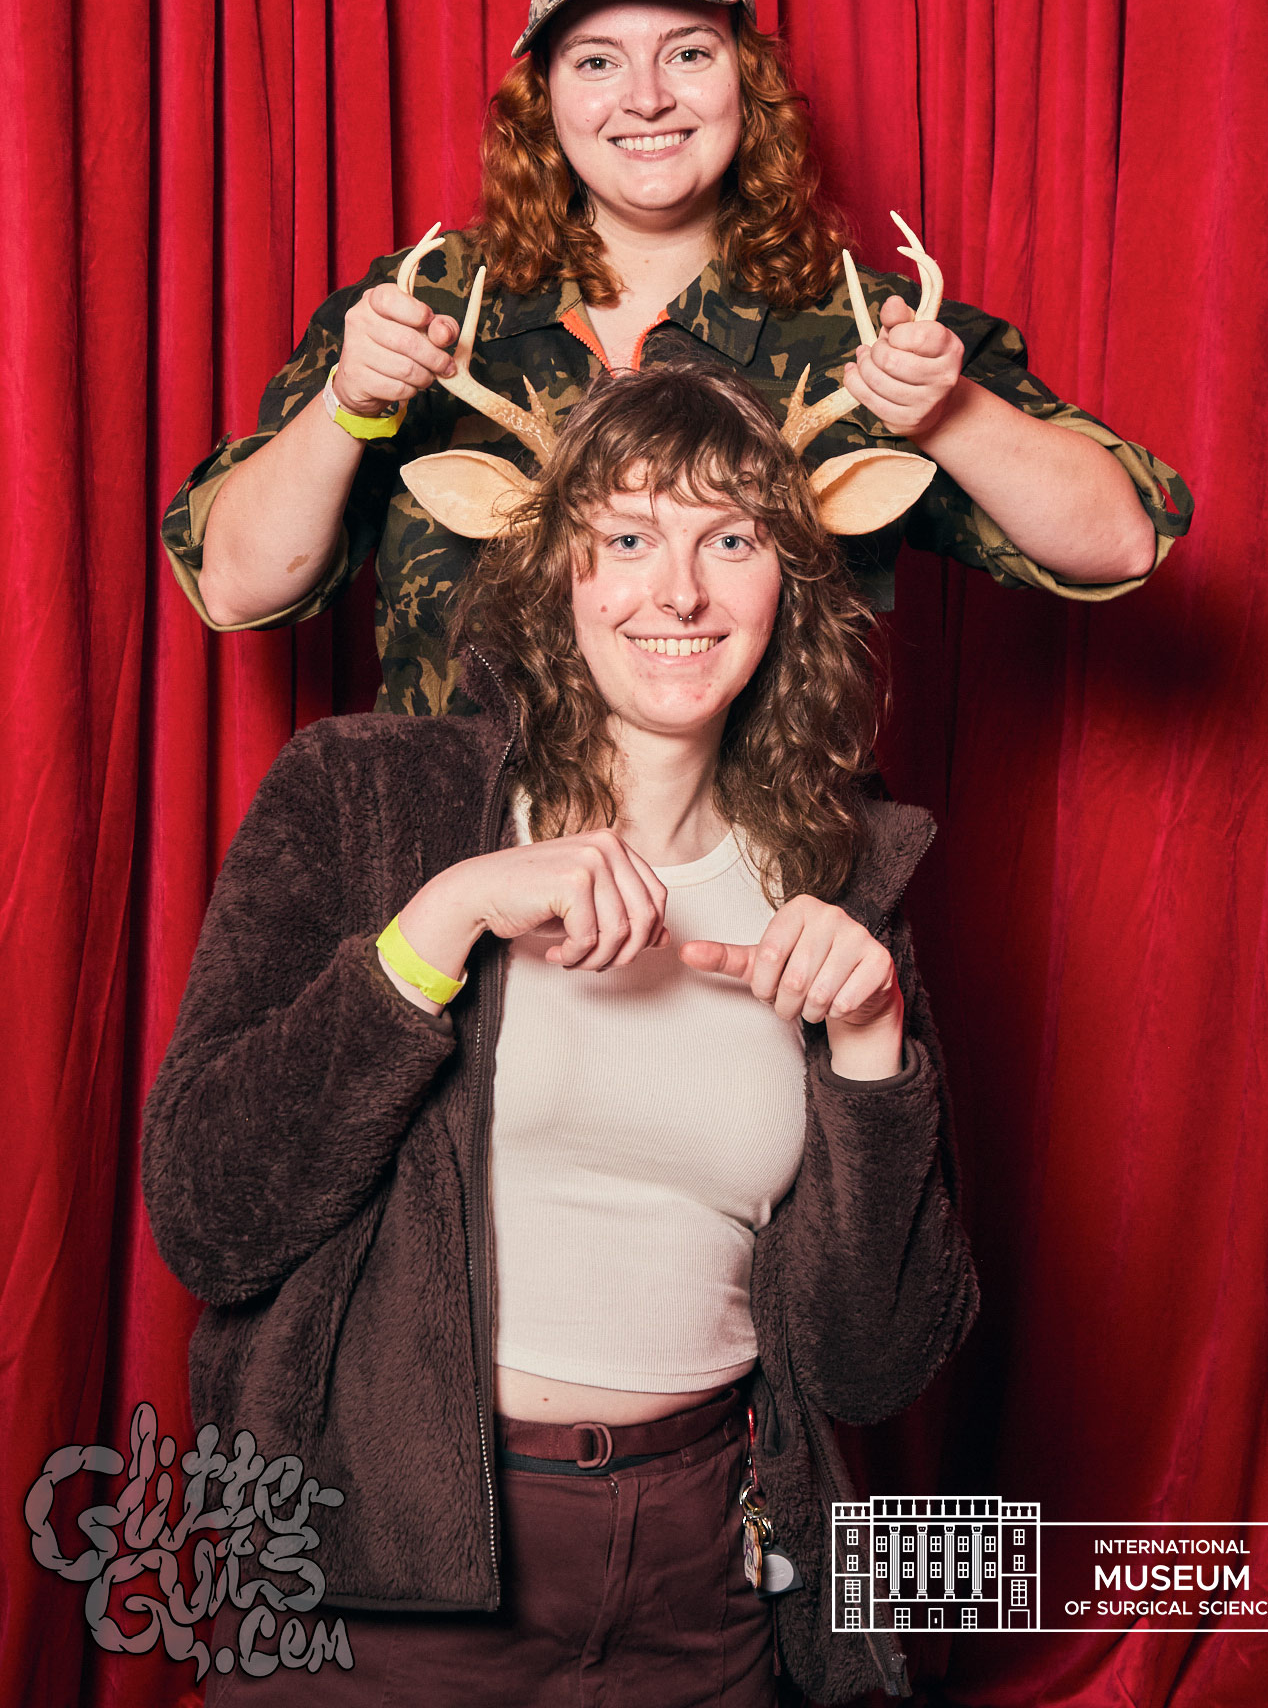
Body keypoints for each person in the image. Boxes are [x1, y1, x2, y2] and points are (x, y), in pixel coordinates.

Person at [142, 358, 978, 1706]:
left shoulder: (844, 874)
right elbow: (210, 1216)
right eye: (628, 538)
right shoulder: (370, 797)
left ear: (789, 577)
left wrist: (873, 1047)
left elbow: (870, 1364)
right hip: (379, 1569)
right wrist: (442, 919)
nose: (678, 593)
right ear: (555, 569)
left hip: (703, 1589)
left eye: (731, 539)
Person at [161, 0, 1193, 716]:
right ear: (544, 98)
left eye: (688, 53)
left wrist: (948, 410)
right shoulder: (421, 307)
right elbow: (238, 584)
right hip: (466, 867)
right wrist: (348, 405)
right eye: (596, 62)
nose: (647, 97)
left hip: (768, 867)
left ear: (746, 81)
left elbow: (1120, 540)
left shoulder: (867, 324)